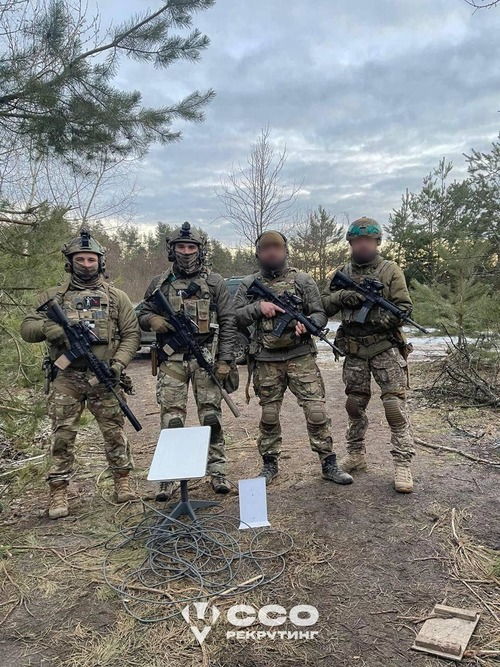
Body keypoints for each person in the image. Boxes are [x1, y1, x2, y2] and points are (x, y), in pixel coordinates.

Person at [20, 229, 140, 519]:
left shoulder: (117, 297)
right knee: (62, 435)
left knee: (114, 432)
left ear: (100, 262)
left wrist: (118, 364)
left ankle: (122, 480)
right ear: (70, 261)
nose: (86, 264)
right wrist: (48, 328)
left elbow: (131, 335)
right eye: (80, 259)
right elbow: (27, 328)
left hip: (104, 376)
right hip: (67, 377)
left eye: (91, 259)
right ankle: (58, 489)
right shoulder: (53, 297)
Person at [233, 230, 353, 486]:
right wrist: (258, 307)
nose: (272, 252)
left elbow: (320, 313)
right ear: (258, 253)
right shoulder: (249, 283)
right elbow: (234, 316)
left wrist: (309, 324)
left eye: (276, 247)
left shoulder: (302, 280)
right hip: (266, 359)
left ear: (285, 250)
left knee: (316, 412)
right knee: (269, 415)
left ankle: (328, 462)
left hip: (301, 357)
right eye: (266, 248)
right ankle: (269, 464)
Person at [137, 222, 237, 495]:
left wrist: (225, 360)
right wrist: (153, 320)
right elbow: (142, 313)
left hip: (205, 357)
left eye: (191, 247)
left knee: (211, 417)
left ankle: (217, 471)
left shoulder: (214, 282)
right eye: (181, 247)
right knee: (172, 420)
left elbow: (229, 322)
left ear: (200, 250)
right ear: (172, 250)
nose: (186, 252)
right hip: (172, 361)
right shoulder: (159, 283)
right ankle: (170, 475)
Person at [322, 217, 415, 493]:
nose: (363, 245)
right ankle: (356, 454)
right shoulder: (341, 273)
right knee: (354, 405)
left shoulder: (390, 270)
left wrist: (389, 318)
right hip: (354, 350)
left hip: (384, 347)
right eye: (358, 241)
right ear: (351, 243)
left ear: (377, 242)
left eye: (368, 241)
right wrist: (342, 297)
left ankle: (402, 463)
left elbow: (404, 306)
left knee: (394, 407)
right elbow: (323, 305)